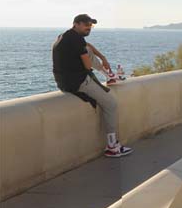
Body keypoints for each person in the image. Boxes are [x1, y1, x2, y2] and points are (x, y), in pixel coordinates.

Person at [52, 14, 132, 158]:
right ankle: (112, 147)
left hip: (64, 81)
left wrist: (103, 57)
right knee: (111, 104)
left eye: (91, 25)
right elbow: (88, 66)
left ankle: (108, 75)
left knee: (87, 50)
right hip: (77, 82)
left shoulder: (67, 36)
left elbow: (88, 46)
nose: (89, 28)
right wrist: (92, 60)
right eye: (86, 25)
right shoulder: (75, 40)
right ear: (76, 24)